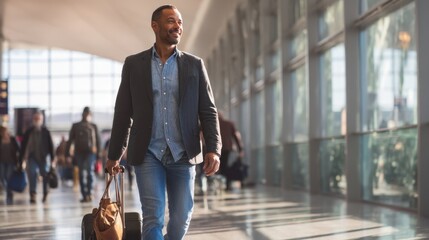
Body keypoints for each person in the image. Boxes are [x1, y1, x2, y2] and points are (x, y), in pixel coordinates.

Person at [105, 5, 222, 240]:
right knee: (153, 217)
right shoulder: (134, 64)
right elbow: (123, 112)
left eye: (180, 22)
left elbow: (208, 110)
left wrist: (214, 149)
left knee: (181, 216)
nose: (178, 26)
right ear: (155, 26)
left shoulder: (194, 65)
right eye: (171, 21)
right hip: (149, 153)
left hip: (183, 153)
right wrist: (114, 154)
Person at [65, 107, 100, 202]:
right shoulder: (78, 126)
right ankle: (86, 194)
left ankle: (88, 194)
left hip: (86, 153)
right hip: (82, 153)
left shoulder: (92, 126)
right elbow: (70, 141)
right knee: (84, 173)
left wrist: (98, 155)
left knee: (87, 172)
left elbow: (98, 141)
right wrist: (67, 154)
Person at [20, 111, 55, 204]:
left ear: (42, 120)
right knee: (32, 174)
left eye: (38, 119)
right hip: (32, 157)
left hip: (43, 157)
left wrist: (53, 159)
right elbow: (23, 146)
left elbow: (51, 146)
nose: (37, 120)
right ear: (33, 120)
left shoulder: (46, 131)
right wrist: (22, 159)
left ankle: (45, 192)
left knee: (45, 175)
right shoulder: (28, 131)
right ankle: (33, 194)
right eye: (35, 119)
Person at [218, 112, 244, 191]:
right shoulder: (229, 124)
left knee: (220, 166)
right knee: (225, 166)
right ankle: (226, 183)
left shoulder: (214, 124)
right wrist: (240, 149)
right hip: (227, 148)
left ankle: (222, 182)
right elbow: (236, 136)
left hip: (216, 149)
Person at [0, 126, 20, 204]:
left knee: (8, 177)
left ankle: (9, 193)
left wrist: (20, 160)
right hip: (1, 162)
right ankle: (8, 190)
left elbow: (18, 149)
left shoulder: (12, 139)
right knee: (2, 177)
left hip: (11, 162)